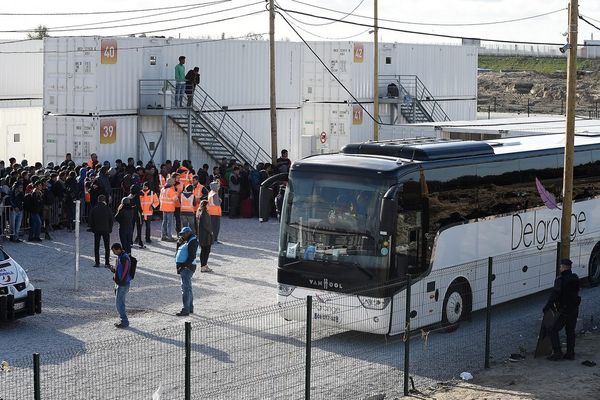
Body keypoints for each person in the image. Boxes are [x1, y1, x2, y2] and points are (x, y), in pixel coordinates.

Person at [545, 258, 581, 361]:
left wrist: (547, 306)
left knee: (553, 330)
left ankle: (557, 352)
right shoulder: (575, 278)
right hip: (574, 310)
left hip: (564, 311)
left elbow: (555, 295)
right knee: (570, 331)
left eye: (560, 266)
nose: (559, 268)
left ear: (564, 267)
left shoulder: (560, 280)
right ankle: (570, 353)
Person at [175, 227, 198, 316]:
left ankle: (186, 309)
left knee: (185, 289)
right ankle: (190, 308)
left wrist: (183, 266)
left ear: (188, 233)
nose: (182, 236)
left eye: (183, 234)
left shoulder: (192, 241)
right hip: (186, 267)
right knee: (188, 288)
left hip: (187, 268)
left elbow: (192, 256)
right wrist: (178, 243)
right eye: (181, 234)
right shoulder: (188, 240)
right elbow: (178, 252)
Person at [109, 243, 131, 329]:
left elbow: (125, 271)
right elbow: (120, 271)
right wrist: (113, 270)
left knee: (119, 304)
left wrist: (120, 282)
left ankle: (124, 321)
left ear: (118, 249)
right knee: (120, 302)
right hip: (120, 283)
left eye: (114, 251)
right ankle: (123, 320)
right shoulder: (120, 257)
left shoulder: (124, 258)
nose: (113, 253)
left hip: (122, 284)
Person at [89, 194, 113, 268]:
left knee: (96, 246)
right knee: (107, 246)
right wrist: (110, 229)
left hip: (97, 230)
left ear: (98, 200)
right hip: (106, 229)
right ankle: (107, 263)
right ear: (104, 200)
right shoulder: (108, 209)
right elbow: (111, 220)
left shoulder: (94, 209)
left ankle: (97, 262)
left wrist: (93, 229)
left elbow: (90, 221)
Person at [196, 200, 214, 273]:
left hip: (203, 235)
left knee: (205, 251)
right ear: (205, 205)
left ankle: (204, 265)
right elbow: (206, 225)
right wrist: (211, 232)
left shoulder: (200, 213)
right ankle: (203, 266)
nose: (209, 206)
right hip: (205, 235)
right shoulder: (204, 214)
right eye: (208, 204)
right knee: (205, 251)